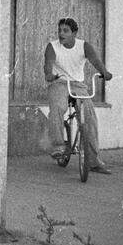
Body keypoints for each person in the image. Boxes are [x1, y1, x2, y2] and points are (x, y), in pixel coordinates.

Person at [44, 17, 113, 174]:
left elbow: (95, 61)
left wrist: (105, 72)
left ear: (74, 33)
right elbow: (48, 65)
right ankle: (58, 147)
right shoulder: (52, 47)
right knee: (57, 108)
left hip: (78, 85)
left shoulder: (84, 46)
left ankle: (94, 162)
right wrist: (49, 75)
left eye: (66, 31)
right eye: (60, 30)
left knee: (90, 117)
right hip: (59, 82)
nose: (61, 34)